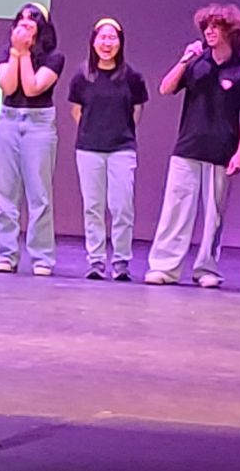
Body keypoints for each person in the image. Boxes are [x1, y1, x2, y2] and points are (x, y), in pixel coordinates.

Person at [145, 3, 240, 288]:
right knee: (176, 210)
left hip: (221, 151)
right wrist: (185, 60)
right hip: (188, 147)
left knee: (213, 216)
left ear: (231, 32)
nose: (209, 32)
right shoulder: (196, 64)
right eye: (206, 27)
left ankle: (207, 268)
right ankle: (164, 267)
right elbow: (165, 88)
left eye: (215, 27)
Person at [67, 17, 148, 281]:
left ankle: (121, 261)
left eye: (112, 37)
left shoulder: (132, 77)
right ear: (93, 41)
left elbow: (137, 110)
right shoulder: (82, 76)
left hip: (122, 148)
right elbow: (76, 110)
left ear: (120, 42)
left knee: (122, 206)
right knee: (93, 206)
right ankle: (96, 260)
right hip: (89, 148)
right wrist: (94, 131)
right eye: (102, 37)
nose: (107, 43)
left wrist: (119, 131)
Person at [0, 3, 63, 276]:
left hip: (38, 124)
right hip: (8, 120)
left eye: (32, 18)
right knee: (5, 193)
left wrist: (23, 53)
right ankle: (6, 254)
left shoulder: (54, 57)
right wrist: (16, 52)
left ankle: (42, 257)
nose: (25, 21)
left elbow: (32, 87)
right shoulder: (6, 52)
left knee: (39, 195)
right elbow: (9, 87)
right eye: (20, 18)